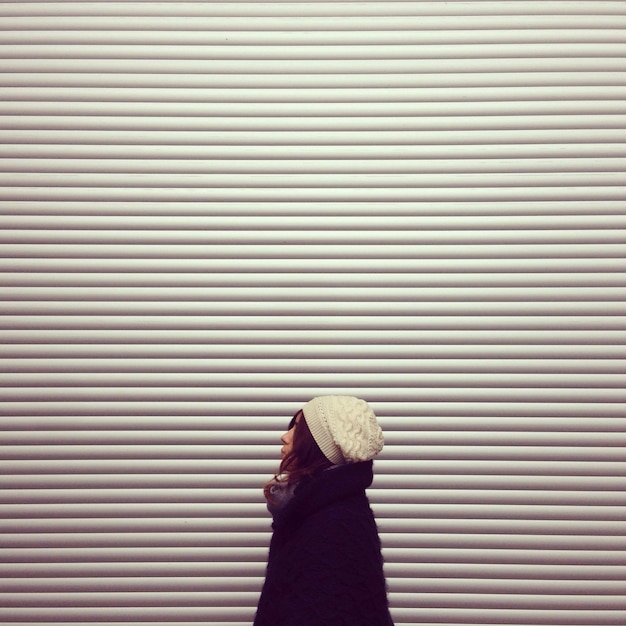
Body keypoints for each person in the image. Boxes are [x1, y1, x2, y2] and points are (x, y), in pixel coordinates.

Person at [253, 395, 394, 626]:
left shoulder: (335, 522)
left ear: (321, 445)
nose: (284, 436)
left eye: (297, 429)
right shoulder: (316, 506)